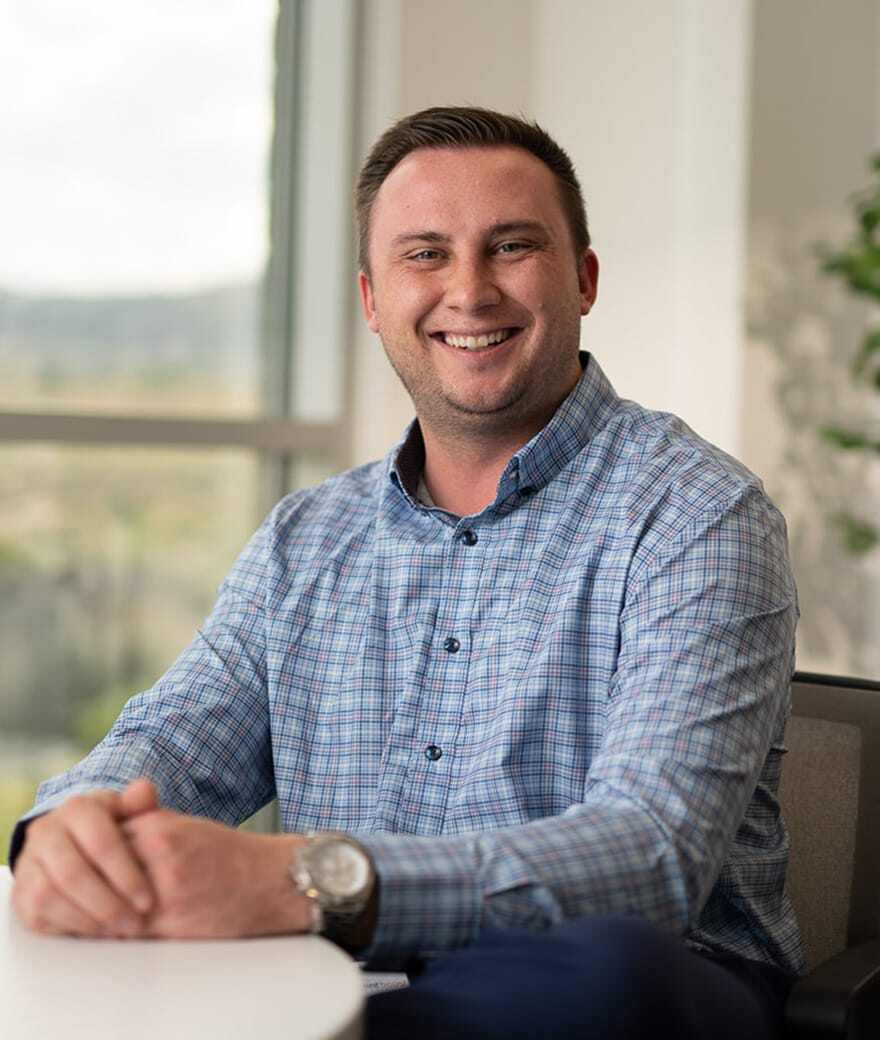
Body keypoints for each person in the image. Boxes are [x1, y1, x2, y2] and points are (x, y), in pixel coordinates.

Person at [10, 107, 802, 1038]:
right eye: (425, 254)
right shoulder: (306, 538)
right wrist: (70, 828)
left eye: (511, 246)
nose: (469, 291)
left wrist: (305, 881)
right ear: (373, 301)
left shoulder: (699, 512)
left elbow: (651, 859)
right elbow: (173, 741)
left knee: (607, 968)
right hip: (327, 994)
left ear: (583, 279)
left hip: (633, 994)